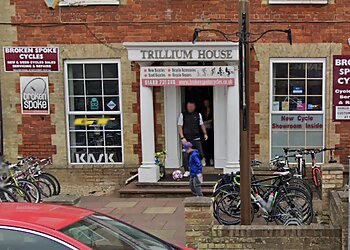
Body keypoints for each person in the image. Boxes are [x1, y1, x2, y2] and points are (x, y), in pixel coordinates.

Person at [178, 101, 208, 177]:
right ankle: (187, 170)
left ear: (194, 107)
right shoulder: (183, 115)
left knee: (200, 153)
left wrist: (205, 133)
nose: (190, 108)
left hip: (196, 138)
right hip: (186, 139)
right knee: (185, 155)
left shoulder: (198, 115)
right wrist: (182, 137)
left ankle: (200, 163)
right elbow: (180, 126)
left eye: (191, 107)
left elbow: (202, 125)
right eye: (188, 106)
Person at [202, 98, 214, 166]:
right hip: (204, 129)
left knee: (211, 144)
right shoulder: (202, 111)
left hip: (211, 129)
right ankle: (206, 159)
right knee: (205, 145)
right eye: (204, 102)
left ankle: (211, 158)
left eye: (207, 102)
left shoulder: (212, 109)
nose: (206, 103)